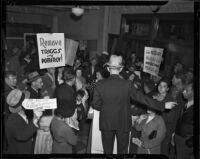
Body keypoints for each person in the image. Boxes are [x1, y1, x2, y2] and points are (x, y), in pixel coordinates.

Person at [92, 55, 177, 154]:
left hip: (107, 122)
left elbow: (95, 104)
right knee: (122, 152)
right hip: (123, 123)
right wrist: (163, 105)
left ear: (108, 68)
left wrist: (107, 109)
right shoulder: (127, 84)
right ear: (121, 69)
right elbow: (142, 98)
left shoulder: (99, 84)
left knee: (107, 151)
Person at [5, 89, 43, 154]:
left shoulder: (23, 113)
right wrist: (35, 119)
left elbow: (28, 128)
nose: (29, 100)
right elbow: (22, 135)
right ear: (22, 105)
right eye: (26, 99)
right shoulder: (12, 119)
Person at [51, 68, 78, 153]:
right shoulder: (70, 92)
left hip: (58, 117)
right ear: (73, 78)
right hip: (67, 120)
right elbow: (71, 109)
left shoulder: (59, 87)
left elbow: (55, 101)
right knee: (71, 141)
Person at [174, 82, 193, 159]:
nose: (183, 92)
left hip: (187, 141)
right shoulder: (186, 103)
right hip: (179, 138)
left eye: (186, 90)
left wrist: (190, 141)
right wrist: (175, 134)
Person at [3, 71, 18, 153]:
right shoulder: (7, 91)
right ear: (6, 79)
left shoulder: (12, 89)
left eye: (16, 78)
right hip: (9, 119)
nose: (15, 80)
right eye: (13, 79)